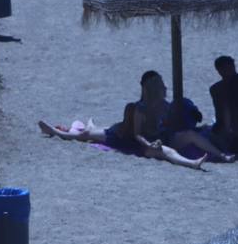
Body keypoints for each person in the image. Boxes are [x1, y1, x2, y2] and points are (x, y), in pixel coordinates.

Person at [38, 71, 207, 170]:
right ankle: (55, 131)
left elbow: (167, 125)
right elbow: (137, 134)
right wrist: (149, 144)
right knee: (86, 134)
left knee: (166, 151)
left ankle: (193, 163)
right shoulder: (139, 108)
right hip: (128, 139)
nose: (164, 87)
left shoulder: (164, 105)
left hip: (150, 139)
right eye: (161, 85)